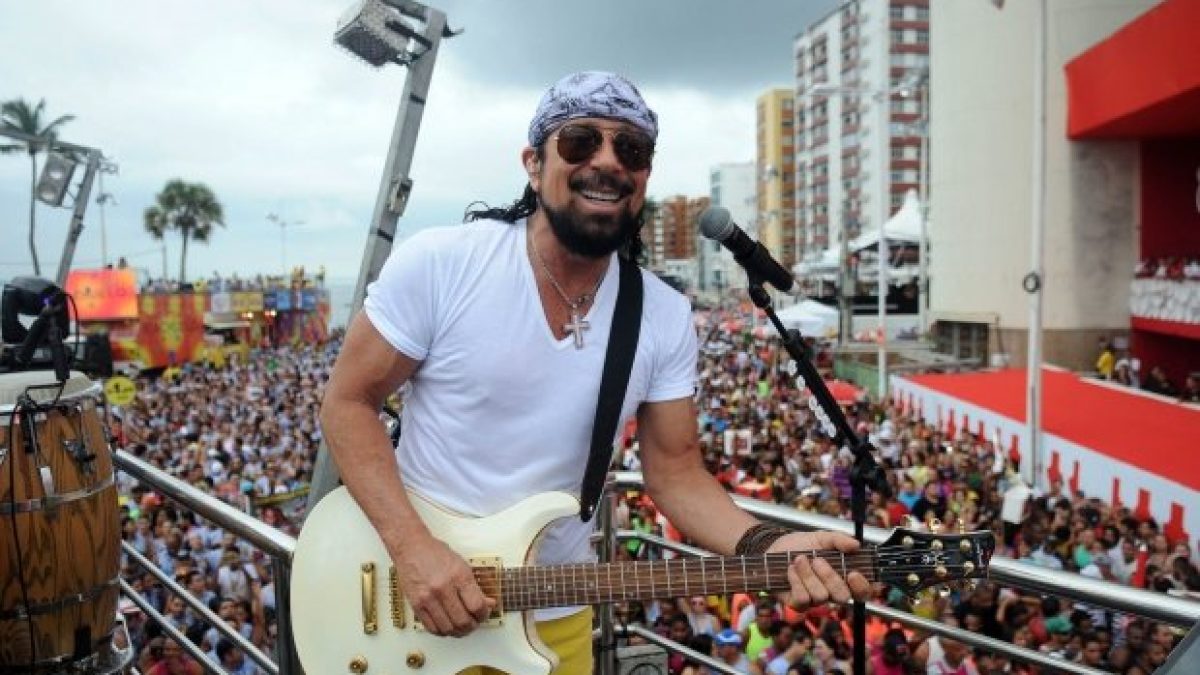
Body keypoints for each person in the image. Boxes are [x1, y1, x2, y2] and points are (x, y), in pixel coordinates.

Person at [319, 70, 870, 674]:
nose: (608, 161)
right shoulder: (442, 263)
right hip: (417, 599)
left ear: (644, 178)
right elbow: (347, 403)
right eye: (581, 140)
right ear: (534, 164)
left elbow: (676, 474)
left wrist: (769, 545)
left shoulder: (662, 314)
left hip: (555, 614)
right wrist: (413, 548)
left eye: (631, 149)